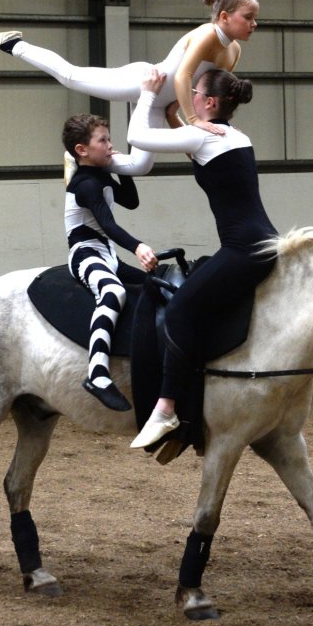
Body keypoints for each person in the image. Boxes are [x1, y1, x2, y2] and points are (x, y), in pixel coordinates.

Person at [124, 67, 277, 448]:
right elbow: (194, 148)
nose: (190, 95)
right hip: (262, 243)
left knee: (179, 310)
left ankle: (166, 408)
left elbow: (135, 137)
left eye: (195, 92)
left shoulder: (203, 136)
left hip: (243, 249)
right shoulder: (234, 136)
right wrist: (176, 115)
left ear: (209, 102)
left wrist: (146, 94)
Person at [0, 0, 259, 135]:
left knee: (141, 165)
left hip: (159, 102)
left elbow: (205, 87)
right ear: (224, 17)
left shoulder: (234, 50)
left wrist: (176, 114)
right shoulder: (207, 35)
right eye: (248, 17)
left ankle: (85, 164)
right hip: (144, 82)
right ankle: (15, 45)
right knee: (71, 76)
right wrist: (193, 120)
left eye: (254, 18)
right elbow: (182, 76)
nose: (254, 24)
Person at [62, 114, 158, 411]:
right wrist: (138, 246)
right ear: (82, 150)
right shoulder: (85, 184)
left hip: (107, 253)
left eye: (109, 138)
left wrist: (123, 168)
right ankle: (98, 372)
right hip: (85, 252)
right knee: (113, 293)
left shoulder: (101, 175)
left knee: (157, 285)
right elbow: (108, 223)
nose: (109, 145)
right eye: (103, 140)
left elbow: (131, 200)